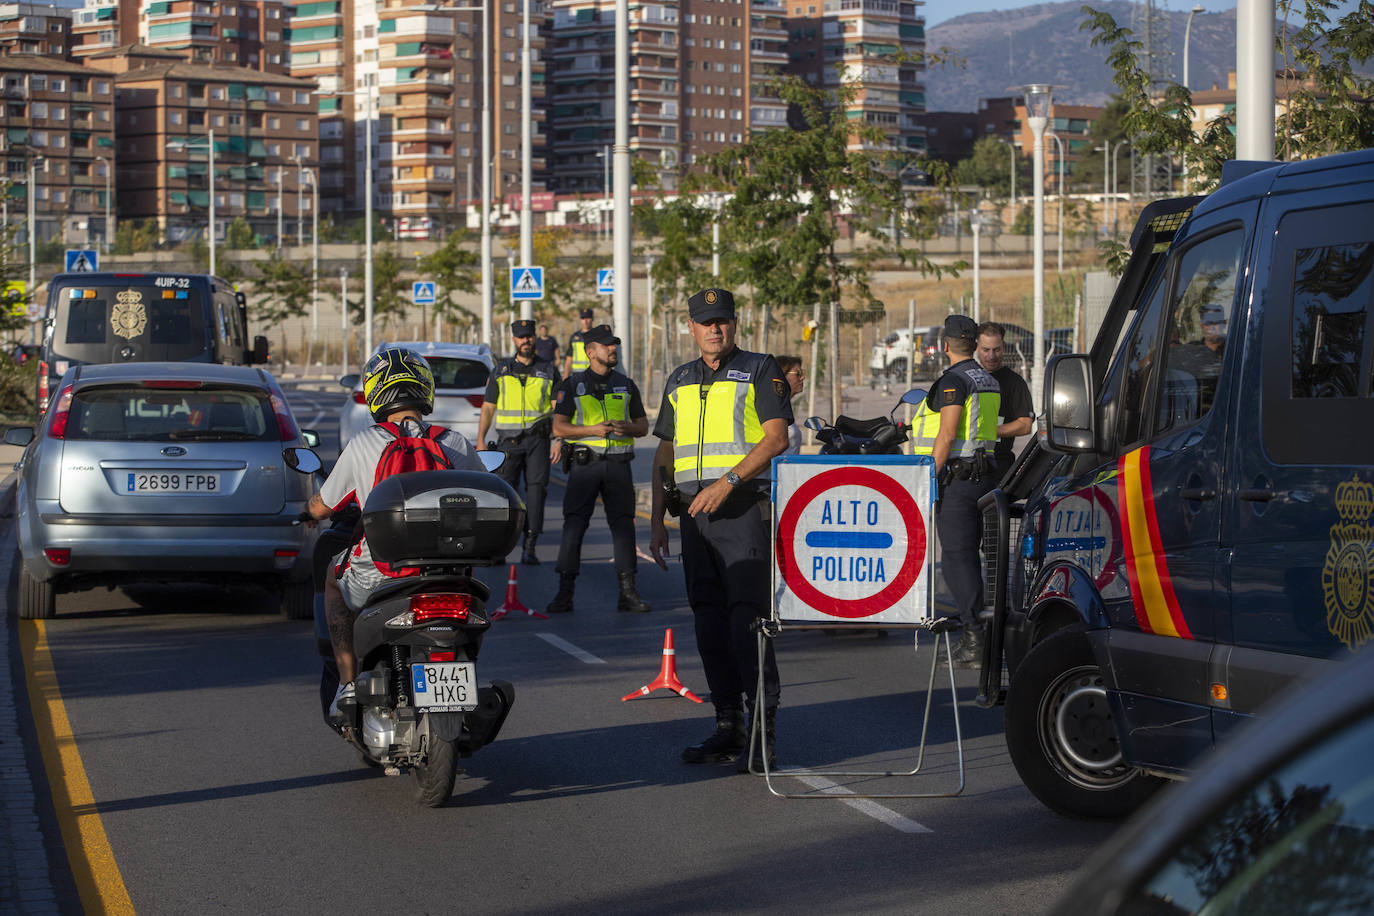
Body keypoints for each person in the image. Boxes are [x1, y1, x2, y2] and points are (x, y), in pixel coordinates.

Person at [649, 288, 792, 773]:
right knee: (707, 622)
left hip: (741, 509)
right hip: (692, 516)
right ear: (689, 327)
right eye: (705, 322)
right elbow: (665, 454)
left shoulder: (760, 368)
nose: (715, 329)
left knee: (745, 622)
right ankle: (727, 723)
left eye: (723, 321)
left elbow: (777, 438)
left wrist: (729, 481)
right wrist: (656, 521)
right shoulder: (680, 378)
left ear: (735, 323)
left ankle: (763, 729)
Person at [303, 347, 485, 717]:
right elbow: (482, 491)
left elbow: (325, 505)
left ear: (376, 393)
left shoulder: (365, 443)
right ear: (424, 390)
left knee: (332, 581)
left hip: (382, 569)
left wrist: (308, 511)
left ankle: (347, 683)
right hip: (448, 572)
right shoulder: (453, 442)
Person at [910, 314, 1000, 668]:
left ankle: (974, 638)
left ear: (945, 345)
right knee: (975, 560)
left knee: (957, 560)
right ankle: (983, 632)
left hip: (960, 481)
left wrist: (928, 476)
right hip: (986, 477)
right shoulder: (988, 379)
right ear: (974, 343)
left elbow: (947, 434)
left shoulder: (954, 379)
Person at [547, 324, 652, 614]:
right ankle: (564, 593)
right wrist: (591, 429)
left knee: (623, 529)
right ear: (590, 352)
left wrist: (627, 427)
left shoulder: (626, 383)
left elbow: (643, 426)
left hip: (618, 467)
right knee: (574, 527)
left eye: (614, 344)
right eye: (607, 345)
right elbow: (559, 426)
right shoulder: (572, 385)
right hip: (585, 466)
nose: (613, 349)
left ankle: (628, 592)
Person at [477, 319, 561, 565]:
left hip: (538, 441)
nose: (526, 341)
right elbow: (488, 408)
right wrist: (481, 439)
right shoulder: (501, 371)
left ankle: (530, 546)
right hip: (508, 444)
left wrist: (559, 440)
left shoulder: (548, 370)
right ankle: (500, 549)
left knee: (536, 494)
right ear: (514, 340)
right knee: (503, 496)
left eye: (530, 336)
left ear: (535, 338)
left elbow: (558, 410)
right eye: (521, 337)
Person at [975, 322, 1034, 482]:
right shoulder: (968, 379)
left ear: (1004, 347)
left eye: (997, 350)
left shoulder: (1014, 382)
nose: (991, 356)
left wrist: (988, 432)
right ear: (977, 348)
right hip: (969, 465)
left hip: (999, 467)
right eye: (986, 350)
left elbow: (1025, 425)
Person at [774, 354, 806, 455]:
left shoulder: (784, 408)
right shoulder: (770, 409)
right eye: (798, 373)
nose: (802, 378)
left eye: (803, 373)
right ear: (781, 375)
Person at [563, 308, 594, 377]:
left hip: (594, 374)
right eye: (583, 318)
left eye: (588, 318)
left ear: (592, 319)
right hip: (578, 375)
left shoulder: (597, 336)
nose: (585, 321)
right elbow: (569, 359)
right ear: (580, 320)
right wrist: (565, 377)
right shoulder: (574, 337)